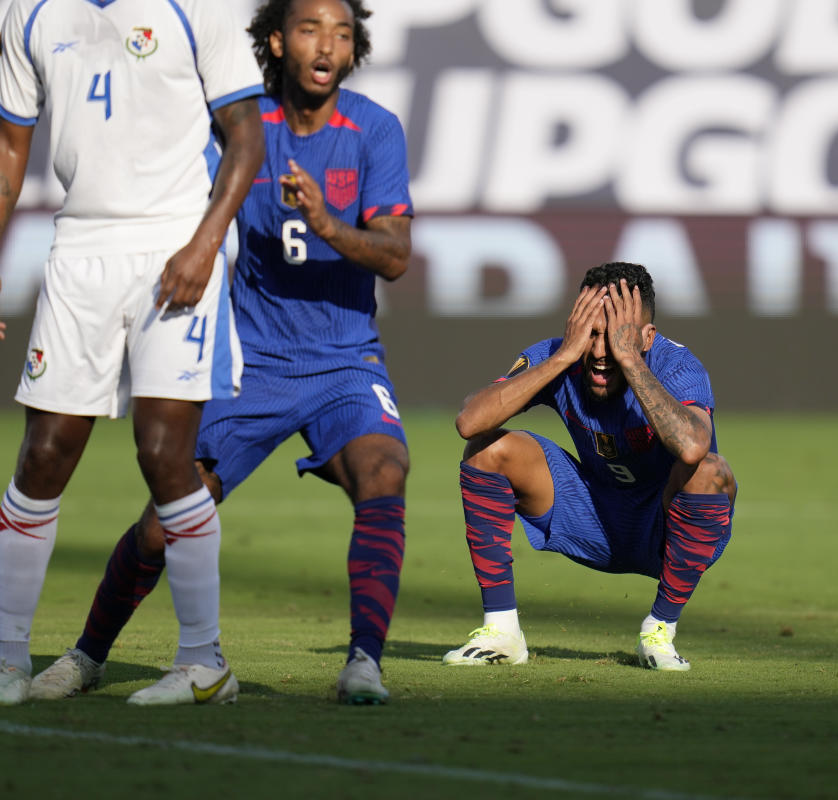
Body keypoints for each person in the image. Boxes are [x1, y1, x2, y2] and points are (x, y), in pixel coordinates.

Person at [25, 0, 413, 706]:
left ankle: (364, 663)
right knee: (162, 521)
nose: (328, 44)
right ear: (275, 40)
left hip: (345, 362)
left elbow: (395, 257)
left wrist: (326, 221)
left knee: (384, 471)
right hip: (251, 362)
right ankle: (85, 657)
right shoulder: (235, 125)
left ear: (355, 48)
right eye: (309, 28)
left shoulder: (374, 131)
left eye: (343, 32)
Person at [0, 0, 264, 706]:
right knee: (45, 452)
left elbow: (247, 139)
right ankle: (6, 657)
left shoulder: (199, 8)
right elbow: (9, 148)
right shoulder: (25, 10)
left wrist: (204, 245)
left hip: (175, 240)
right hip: (79, 250)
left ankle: (205, 662)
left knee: (162, 451)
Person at [442, 262, 736, 671]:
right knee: (485, 449)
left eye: (616, 336)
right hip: (591, 515)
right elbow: (468, 422)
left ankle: (659, 631)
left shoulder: (678, 367)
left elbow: (691, 448)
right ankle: (502, 631)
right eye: (591, 334)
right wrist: (564, 354)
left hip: (667, 531)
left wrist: (630, 360)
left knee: (711, 471)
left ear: (647, 337)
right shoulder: (561, 356)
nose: (599, 352)